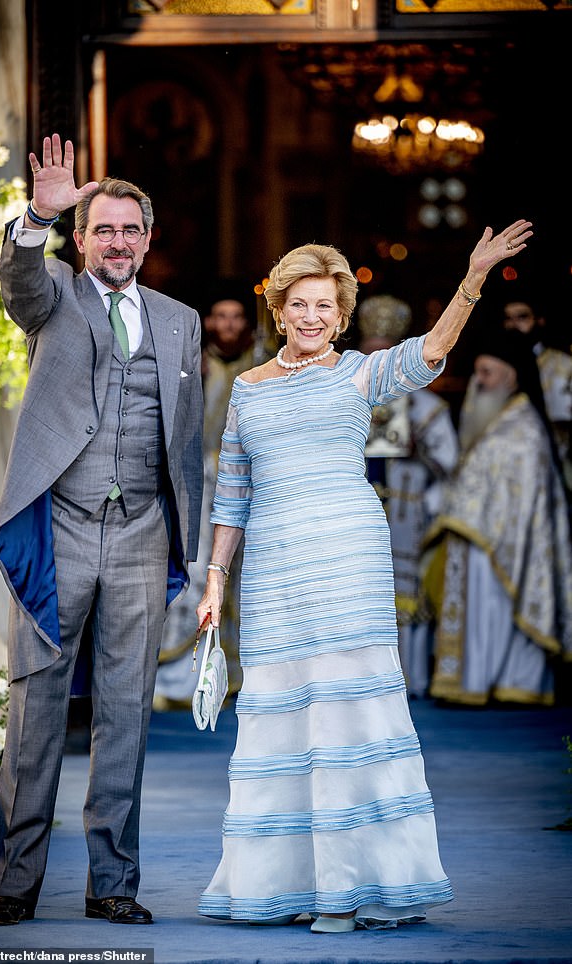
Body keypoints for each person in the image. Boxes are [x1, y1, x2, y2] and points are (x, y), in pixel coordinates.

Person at [196, 219, 533, 932]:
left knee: (351, 715)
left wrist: (473, 278)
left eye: (326, 306)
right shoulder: (249, 392)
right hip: (277, 569)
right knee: (281, 717)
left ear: (341, 315)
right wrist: (216, 580)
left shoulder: (360, 372)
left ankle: (348, 889)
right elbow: (233, 492)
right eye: (299, 304)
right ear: (278, 309)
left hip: (348, 556)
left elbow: (435, 351)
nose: (311, 317)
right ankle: (284, 886)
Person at [0, 134, 203, 927]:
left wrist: (194, 549)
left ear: (149, 238)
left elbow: (188, 440)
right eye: (102, 229)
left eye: (129, 230)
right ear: (83, 238)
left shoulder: (182, 322)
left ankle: (114, 882)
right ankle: (13, 885)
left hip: (143, 529)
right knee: (35, 709)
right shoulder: (56, 296)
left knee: (125, 711)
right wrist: (38, 213)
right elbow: (16, 283)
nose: (116, 242)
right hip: (63, 526)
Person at [423, 326, 572, 707]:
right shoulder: (497, 422)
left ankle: (505, 681)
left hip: (501, 549)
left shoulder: (523, 430)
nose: (478, 383)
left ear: (511, 376)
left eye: (487, 373)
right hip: (480, 542)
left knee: (497, 615)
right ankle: (478, 681)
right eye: (477, 373)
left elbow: (521, 505)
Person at [154, 283, 257, 708]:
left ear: (246, 322)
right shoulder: (193, 364)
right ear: (209, 321)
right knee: (198, 568)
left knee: (248, 574)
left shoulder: (264, 364)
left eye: (236, 317)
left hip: (250, 484)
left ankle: (242, 674)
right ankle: (184, 675)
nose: (228, 325)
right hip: (198, 486)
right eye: (221, 316)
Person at [359, 295, 459, 698]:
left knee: (405, 594)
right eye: (371, 354)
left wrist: (422, 450)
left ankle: (409, 679)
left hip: (406, 512)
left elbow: (451, 465)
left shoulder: (428, 407)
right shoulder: (345, 394)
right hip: (358, 508)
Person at [501, 291, 572, 494]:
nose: (514, 325)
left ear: (538, 320)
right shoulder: (496, 370)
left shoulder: (564, 366)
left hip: (554, 467)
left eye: (522, 317)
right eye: (508, 318)